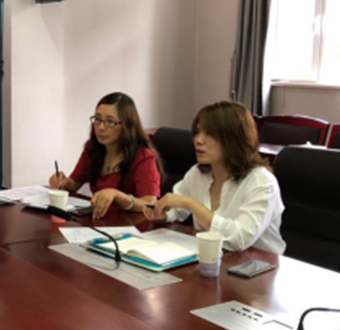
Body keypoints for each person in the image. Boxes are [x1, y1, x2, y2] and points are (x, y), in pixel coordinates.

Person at [144, 101, 285, 254]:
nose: (198, 140)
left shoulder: (262, 182)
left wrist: (192, 204)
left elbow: (240, 239)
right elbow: (177, 210)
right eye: (197, 132)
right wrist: (163, 215)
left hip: (257, 263)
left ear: (233, 138)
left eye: (209, 134)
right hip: (212, 257)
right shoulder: (198, 173)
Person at [49, 92, 162, 218]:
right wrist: (63, 182)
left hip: (130, 224)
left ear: (127, 125)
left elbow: (149, 204)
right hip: (98, 220)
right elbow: (75, 183)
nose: (101, 127)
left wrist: (117, 195)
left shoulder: (143, 157)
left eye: (110, 121)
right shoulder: (93, 148)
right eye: (98, 119)